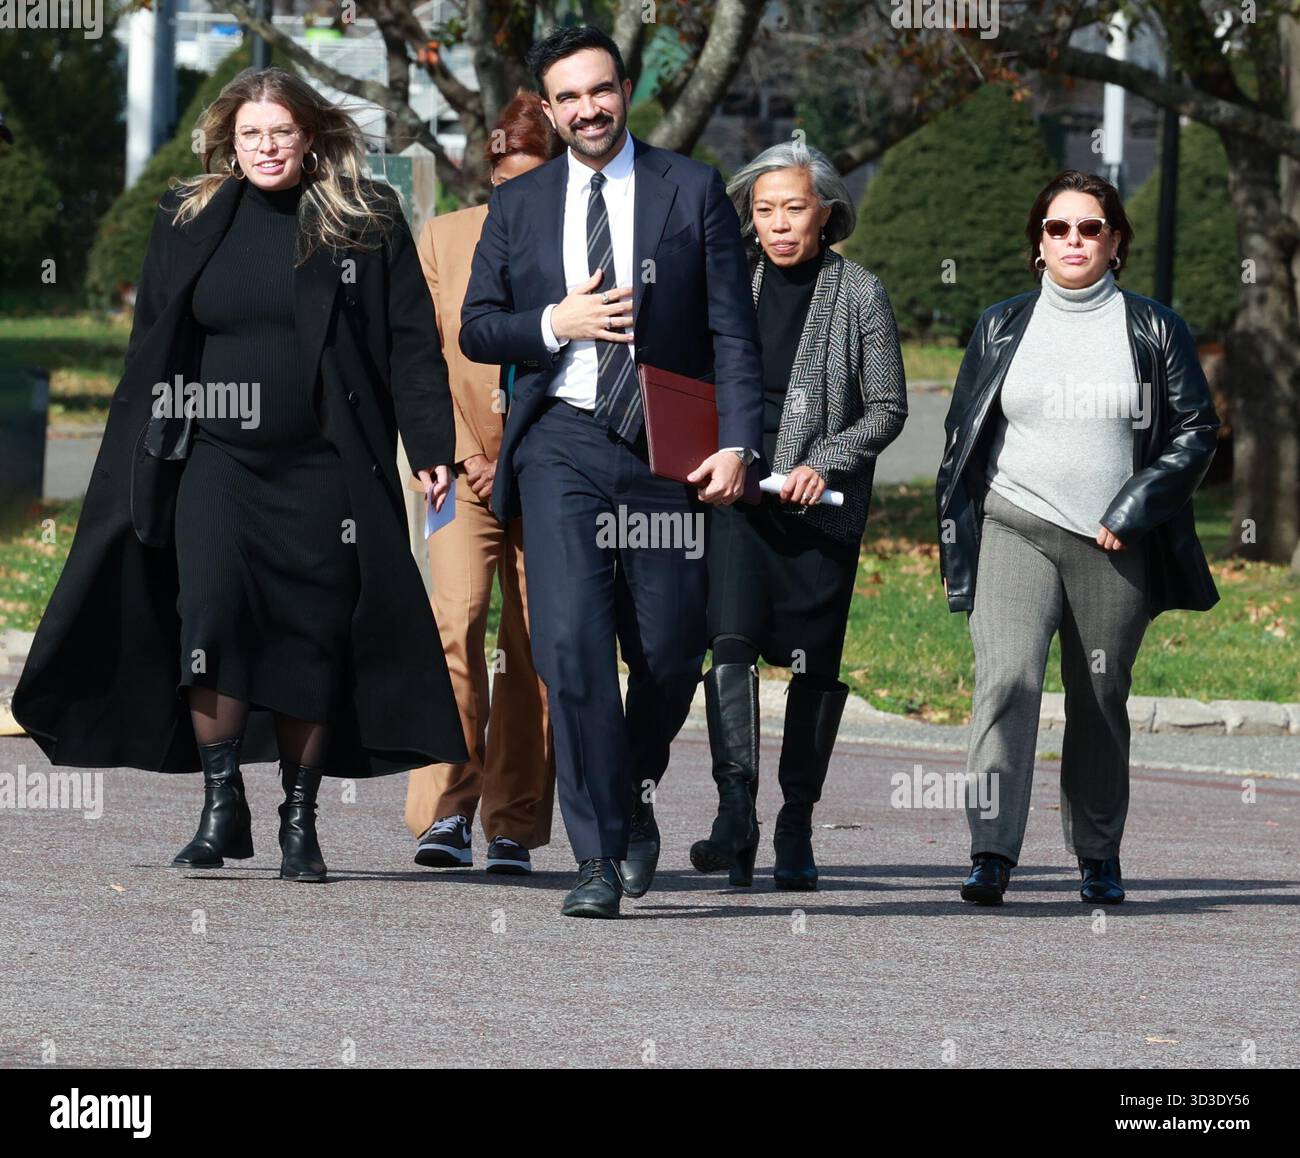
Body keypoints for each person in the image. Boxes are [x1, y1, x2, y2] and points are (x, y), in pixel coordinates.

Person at [13, 67, 467, 882]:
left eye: (281, 132)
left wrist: (432, 443)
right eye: (251, 134)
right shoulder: (188, 213)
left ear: (310, 136)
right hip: (215, 459)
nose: (266, 147)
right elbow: (154, 339)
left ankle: (300, 818)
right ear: (229, 141)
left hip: (325, 466)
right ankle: (222, 803)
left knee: (309, 634)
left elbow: (410, 340)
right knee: (210, 616)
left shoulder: (363, 215)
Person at [460, 25, 763, 918]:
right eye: (569, 97)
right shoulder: (521, 204)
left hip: (668, 448)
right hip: (563, 444)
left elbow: (732, 331)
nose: (588, 109)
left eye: (601, 90)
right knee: (571, 647)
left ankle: (629, 784)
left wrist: (737, 444)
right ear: (550, 111)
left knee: (670, 650)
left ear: (625, 89)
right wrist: (553, 323)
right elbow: (479, 326)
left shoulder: (692, 187)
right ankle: (595, 858)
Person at [936, 169, 1220, 906]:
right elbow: (962, 434)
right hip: (1014, 525)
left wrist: (1132, 508)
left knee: (1098, 695)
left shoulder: (1154, 328)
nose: (1073, 240)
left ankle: (1097, 853)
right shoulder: (1001, 325)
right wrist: (962, 531)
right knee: (1007, 680)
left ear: (1115, 241)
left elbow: (1196, 431)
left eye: (1090, 228)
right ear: (1038, 242)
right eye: (1057, 228)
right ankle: (991, 850)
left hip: (1111, 541)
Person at [689, 140, 907, 891]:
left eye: (794, 208)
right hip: (741, 495)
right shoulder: (731, 281)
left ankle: (795, 824)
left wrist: (826, 461)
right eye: (764, 210)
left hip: (820, 510)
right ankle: (735, 814)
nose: (779, 224)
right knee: (729, 642)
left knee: (814, 665)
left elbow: (887, 407)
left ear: (826, 213)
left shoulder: (860, 292)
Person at [405, 90, 563, 875]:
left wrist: (526, 455)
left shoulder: (583, 242)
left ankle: (513, 824)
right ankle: (444, 811)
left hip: (551, 471)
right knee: (457, 620)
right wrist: (462, 452)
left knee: (535, 642)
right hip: (455, 472)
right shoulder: (443, 236)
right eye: (504, 182)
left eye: (531, 182)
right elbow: (420, 353)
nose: (514, 198)